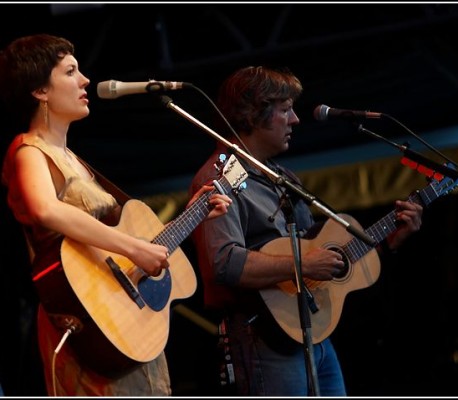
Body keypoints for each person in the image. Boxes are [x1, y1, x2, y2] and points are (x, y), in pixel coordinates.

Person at [0, 33, 232, 396]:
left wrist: (191, 216)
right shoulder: (28, 150)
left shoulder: (76, 161)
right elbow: (45, 209)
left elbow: (110, 250)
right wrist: (133, 249)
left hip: (124, 323)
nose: (85, 80)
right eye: (71, 72)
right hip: (88, 323)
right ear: (40, 90)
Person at [188, 65, 424, 396]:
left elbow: (317, 247)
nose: (296, 120)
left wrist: (386, 242)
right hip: (263, 339)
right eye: (285, 110)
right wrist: (303, 264)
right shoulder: (217, 179)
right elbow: (223, 263)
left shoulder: (283, 177)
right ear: (254, 114)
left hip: (312, 333)